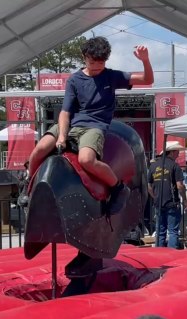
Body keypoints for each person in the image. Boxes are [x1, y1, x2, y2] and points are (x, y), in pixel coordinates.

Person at [28, 36, 154, 215]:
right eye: (93, 61)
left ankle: (118, 188)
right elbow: (65, 112)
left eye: (101, 62)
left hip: (93, 126)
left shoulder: (112, 76)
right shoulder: (74, 80)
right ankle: (28, 186)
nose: (97, 66)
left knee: (86, 159)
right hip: (70, 124)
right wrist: (62, 137)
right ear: (84, 57)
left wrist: (145, 60)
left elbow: (147, 79)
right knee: (39, 150)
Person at [148, 142, 187, 248]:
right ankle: (171, 254)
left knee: (160, 232)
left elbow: (148, 186)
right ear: (172, 152)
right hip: (172, 202)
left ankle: (160, 255)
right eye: (177, 152)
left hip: (158, 203)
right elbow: (180, 186)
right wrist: (184, 199)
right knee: (173, 231)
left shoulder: (153, 166)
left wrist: (155, 196)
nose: (178, 154)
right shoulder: (174, 166)